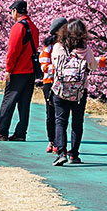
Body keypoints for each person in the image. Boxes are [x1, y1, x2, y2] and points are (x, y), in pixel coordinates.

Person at [50, 19, 107, 166]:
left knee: (60, 121)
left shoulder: (58, 47)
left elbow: (54, 64)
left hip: (61, 90)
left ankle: (61, 153)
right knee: (77, 123)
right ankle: (74, 155)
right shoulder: (86, 50)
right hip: (80, 91)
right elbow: (94, 66)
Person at [0, 0, 39, 142]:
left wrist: (8, 69)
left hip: (18, 71)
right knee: (24, 103)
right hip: (30, 71)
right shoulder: (33, 27)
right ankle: (20, 133)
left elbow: (13, 51)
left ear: (15, 11)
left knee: (8, 101)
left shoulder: (18, 27)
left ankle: (2, 130)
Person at [38, 17, 67, 154]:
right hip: (50, 82)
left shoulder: (68, 45)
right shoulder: (48, 47)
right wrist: (59, 69)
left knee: (62, 114)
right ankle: (52, 140)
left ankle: (60, 142)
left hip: (64, 83)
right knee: (51, 113)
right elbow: (44, 66)